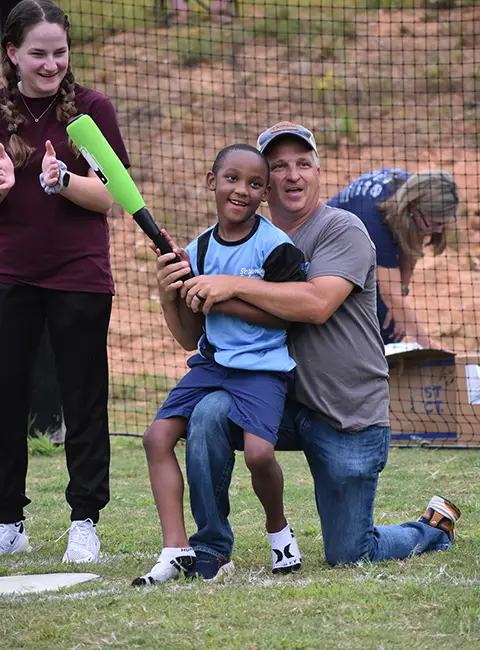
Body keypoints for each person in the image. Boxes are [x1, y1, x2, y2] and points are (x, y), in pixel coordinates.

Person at [155, 121, 461, 580]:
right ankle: (210, 549)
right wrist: (173, 293)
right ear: (262, 183)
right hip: (278, 398)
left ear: (319, 172)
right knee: (209, 412)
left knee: (350, 551)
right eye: (279, 167)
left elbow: (317, 304)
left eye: (304, 164)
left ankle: (433, 527)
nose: (293, 176)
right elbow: (196, 336)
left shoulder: (344, 229)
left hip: (345, 411)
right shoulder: (243, 240)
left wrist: (229, 284)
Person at [132, 144, 305, 585]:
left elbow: (290, 316)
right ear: (212, 182)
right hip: (212, 365)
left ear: (265, 193)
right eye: (231, 179)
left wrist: (229, 296)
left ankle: (278, 528)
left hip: (263, 368)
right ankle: (176, 548)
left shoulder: (277, 248)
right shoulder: (199, 249)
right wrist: (172, 289)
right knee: (156, 438)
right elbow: (190, 331)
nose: (241, 190)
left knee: (259, 454)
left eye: (253, 184)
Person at [0, 0, 130, 562]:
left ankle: (84, 520)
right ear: (12, 54)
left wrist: (65, 181)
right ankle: (8, 518)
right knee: (6, 397)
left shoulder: (92, 110)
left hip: (79, 276)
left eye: (60, 52)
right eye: (38, 54)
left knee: (83, 398)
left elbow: (114, 198)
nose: (51, 64)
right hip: (9, 274)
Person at [327, 169, 459, 347]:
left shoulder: (415, 191)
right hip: (328, 256)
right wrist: (429, 347)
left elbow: (412, 242)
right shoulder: (375, 220)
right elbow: (390, 294)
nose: (438, 231)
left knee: (395, 319)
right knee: (384, 319)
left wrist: (401, 293)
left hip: (359, 247)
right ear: (413, 209)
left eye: (443, 224)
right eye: (435, 223)